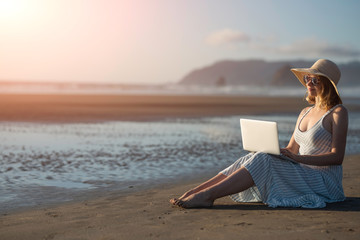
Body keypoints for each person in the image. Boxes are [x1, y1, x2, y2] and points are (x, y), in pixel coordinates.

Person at [170, 59, 348, 209]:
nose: (309, 83)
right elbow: (292, 148)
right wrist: (278, 152)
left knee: (263, 160)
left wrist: (299, 159)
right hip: (304, 172)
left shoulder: (337, 113)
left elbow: (337, 157)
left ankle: (208, 196)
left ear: (327, 84)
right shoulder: (305, 112)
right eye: (308, 78)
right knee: (254, 156)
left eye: (315, 80)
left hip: (324, 182)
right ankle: (196, 192)